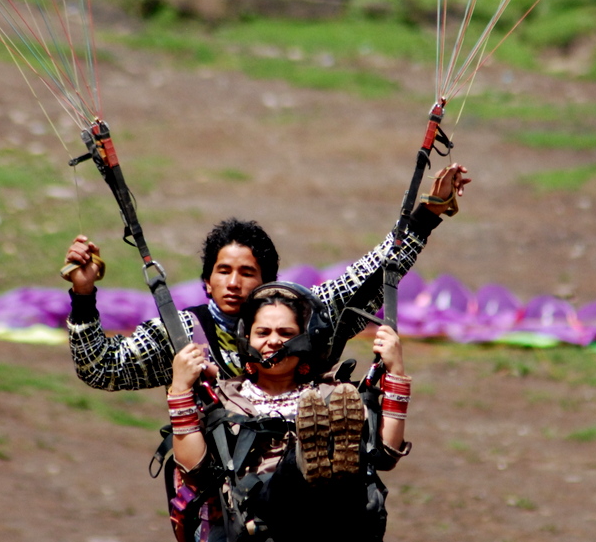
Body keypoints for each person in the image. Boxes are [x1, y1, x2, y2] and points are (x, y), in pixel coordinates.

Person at [167, 282, 412, 542]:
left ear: (306, 338)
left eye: (284, 332)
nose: (273, 341)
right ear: (246, 339)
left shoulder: (336, 398)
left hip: (329, 536)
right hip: (249, 535)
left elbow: (384, 454)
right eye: (263, 332)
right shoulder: (223, 396)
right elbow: (195, 467)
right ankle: (301, 469)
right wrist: (179, 390)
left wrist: (396, 372)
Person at [60, 163, 469, 390]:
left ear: (268, 282)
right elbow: (101, 368)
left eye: (247, 273)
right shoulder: (183, 334)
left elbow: (374, 271)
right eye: (223, 271)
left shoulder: (305, 318)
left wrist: (427, 213)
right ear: (207, 282)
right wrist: (83, 294)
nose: (234, 283)